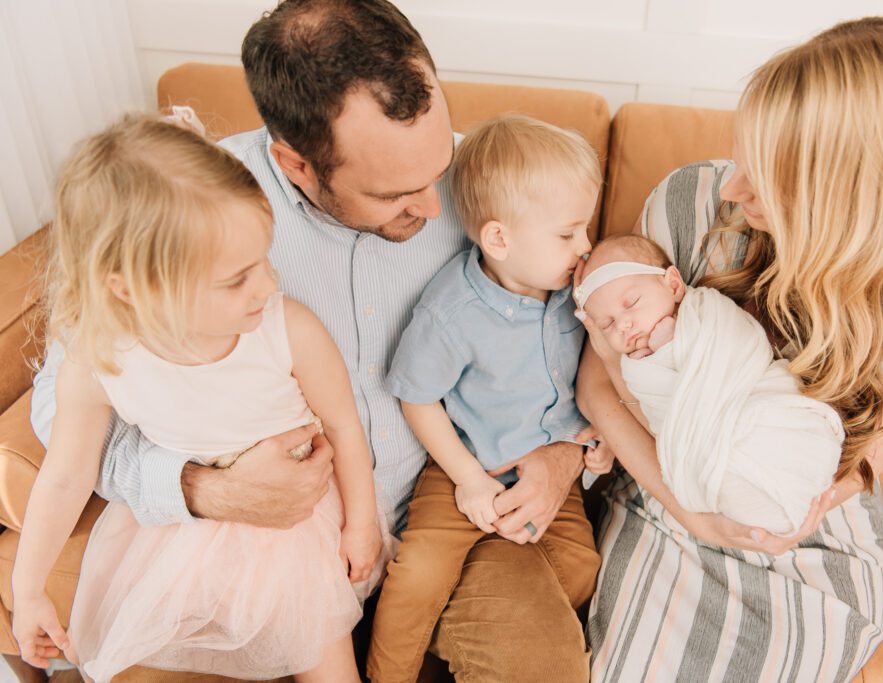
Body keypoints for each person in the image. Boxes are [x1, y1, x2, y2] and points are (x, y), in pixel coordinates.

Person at [28, 1, 599, 679]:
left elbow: (598, 328)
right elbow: (60, 409)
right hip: (250, 551)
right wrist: (202, 488)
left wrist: (571, 452)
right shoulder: (198, 215)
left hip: (452, 516)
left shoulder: (494, 186)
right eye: (396, 194)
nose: (438, 207)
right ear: (296, 164)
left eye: (438, 165)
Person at [577, 17, 883, 682]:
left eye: (765, 180)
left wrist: (771, 527)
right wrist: (696, 515)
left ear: (849, 196)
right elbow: (599, 382)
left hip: (805, 522)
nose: (734, 189)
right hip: (668, 479)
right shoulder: (691, 204)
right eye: (743, 157)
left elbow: (848, 475)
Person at [13, 115, 384, 682]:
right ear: (132, 288)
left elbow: (344, 427)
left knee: (328, 668)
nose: (266, 285)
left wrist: (361, 525)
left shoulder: (288, 329)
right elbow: (65, 477)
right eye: (235, 278)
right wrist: (29, 587)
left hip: (297, 525)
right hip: (178, 533)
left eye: (264, 258)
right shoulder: (99, 360)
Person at [368, 115, 603, 681]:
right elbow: (417, 399)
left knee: (582, 569)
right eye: (569, 234)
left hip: (550, 474)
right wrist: (470, 478)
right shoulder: (453, 312)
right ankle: (383, 675)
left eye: (586, 229)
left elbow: (601, 379)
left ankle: (471, 601)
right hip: (463, 473)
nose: (586, 246)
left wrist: (595, 443)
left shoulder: (576, 292)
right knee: (419, 573)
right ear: (499, 238)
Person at [577, 234, 842, 535]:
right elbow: (664, 425)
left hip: (767, 421)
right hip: (719, 471)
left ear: (674, 285)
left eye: (632, 303)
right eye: (608, 324)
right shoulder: (636, 369)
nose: (623, 324)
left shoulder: (707, 313)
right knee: (729, 476)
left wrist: (676, 346)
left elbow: (743, 347)